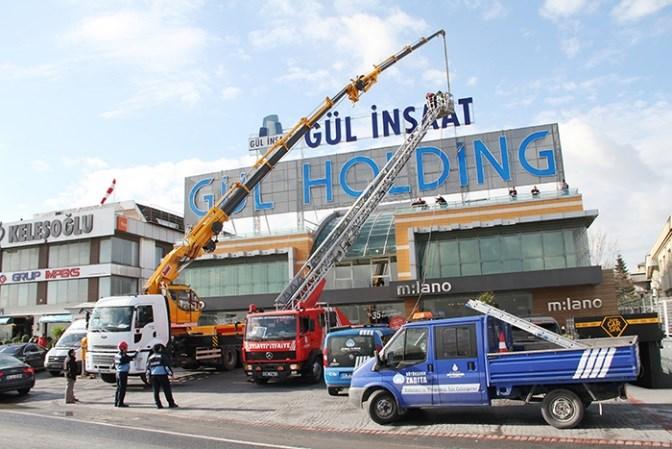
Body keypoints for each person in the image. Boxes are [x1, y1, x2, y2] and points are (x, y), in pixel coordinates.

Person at [146, 344, 178, 409]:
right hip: (162, 375)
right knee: (167, 389)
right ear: (159, 349)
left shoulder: (150, 357)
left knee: (156, 390)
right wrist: (171, 374)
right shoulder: (162, 356)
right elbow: (166, 366)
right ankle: (171, 403)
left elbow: (148, 368)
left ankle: (158, 404)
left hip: (153, 375)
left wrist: (147, 377)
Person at [114, 341, 135, 407]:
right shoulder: (123, 357)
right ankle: (120, 403)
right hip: (123, 373)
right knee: (122, 389)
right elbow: (132, 358)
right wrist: (137, 352)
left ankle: (116, 402)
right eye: (126, 348)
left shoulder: (116, 355)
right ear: (123, 348)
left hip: (117, 372)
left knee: (118, 388)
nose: (127, 349)